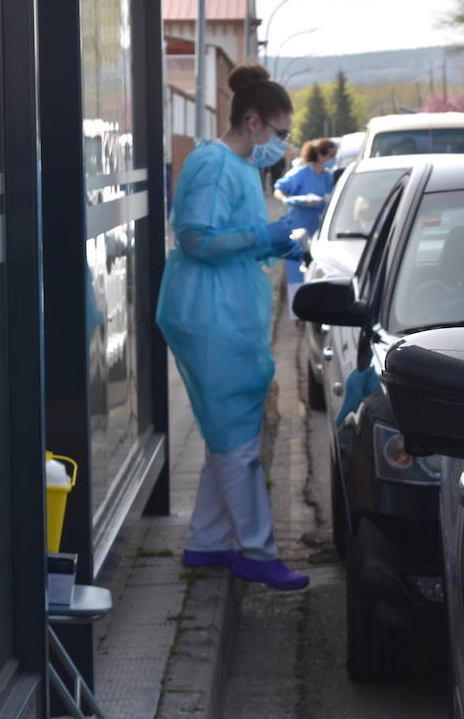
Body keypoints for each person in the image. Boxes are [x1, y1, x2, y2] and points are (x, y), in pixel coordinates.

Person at [156, 64, 310, 591]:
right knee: (237, 441)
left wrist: (273, 241)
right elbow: (195, 237)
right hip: (208, 317)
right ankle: (257, 551)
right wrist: (259, 235)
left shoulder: (241, 167)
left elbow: (232, 236)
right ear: (253, 121)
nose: (283, 145)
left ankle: (207, 541)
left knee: (230, 435)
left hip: (224, 314)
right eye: (281, 133)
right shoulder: (211, 163)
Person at [273, 138, 337, 324]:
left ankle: (315, 309)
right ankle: (298, 315)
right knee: (295, 269)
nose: (333, 159)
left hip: (317, 228)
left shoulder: (328, 176)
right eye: (331, 155)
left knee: (315, 268)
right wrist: (288, 200)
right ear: (320, 155)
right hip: (298, 225)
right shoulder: (301, 173)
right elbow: (279, 189)